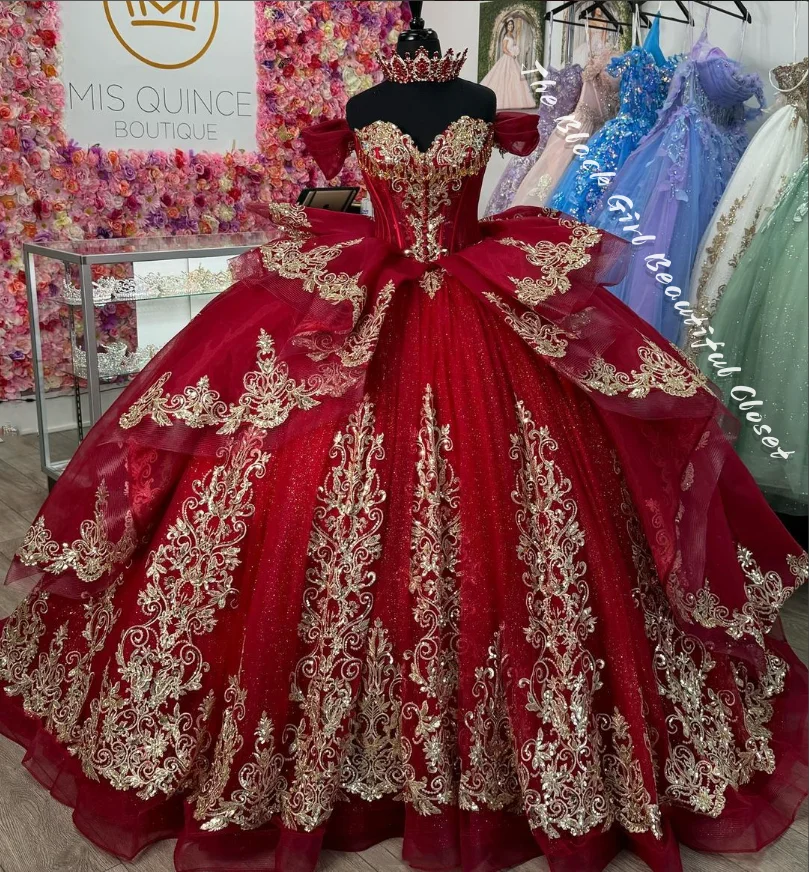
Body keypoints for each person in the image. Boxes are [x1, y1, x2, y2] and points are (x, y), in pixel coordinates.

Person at [0, 34, 805, 872]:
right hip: (375, 284)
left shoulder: (482, 106)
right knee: (284, 485)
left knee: (547, 500)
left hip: (475, 293)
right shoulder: (361, 108)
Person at [480, 17, 536, 109]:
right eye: (509, 25)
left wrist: (515, 51)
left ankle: (514, 102)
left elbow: (512, 46)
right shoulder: (506, 36)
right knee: (504, 79)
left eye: (512, 24)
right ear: (506, 26)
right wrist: (512, 54)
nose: (511, 26)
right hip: (507, 58)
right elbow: (504, 49)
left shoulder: (512, 36)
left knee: (515, 79)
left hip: (512, 59)